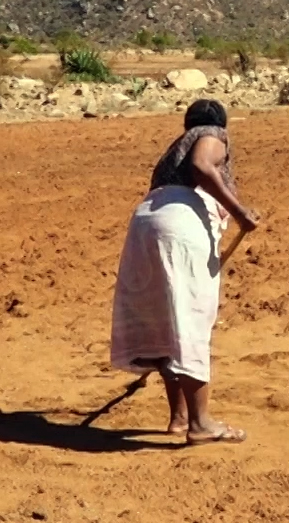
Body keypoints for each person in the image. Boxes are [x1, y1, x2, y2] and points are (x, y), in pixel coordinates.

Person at [109, 99, 261, 445]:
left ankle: (179, 417)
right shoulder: (211, 134)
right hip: (179, 227)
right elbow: (203, 165)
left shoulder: (173, 150)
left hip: (146, 225)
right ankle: (201, 424)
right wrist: (240, 213)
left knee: (167, 319)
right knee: (189, 318)